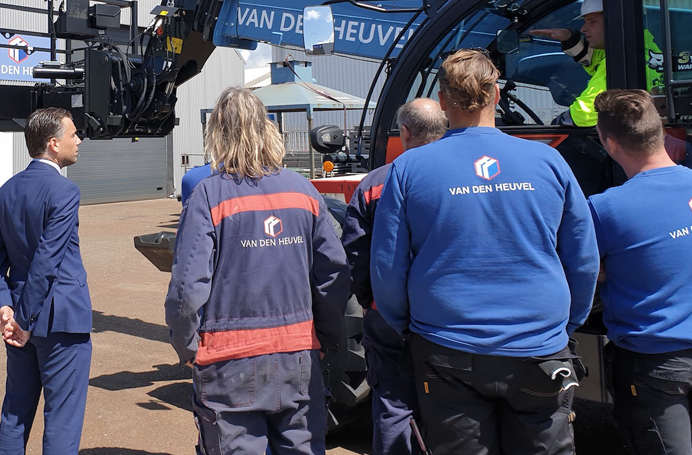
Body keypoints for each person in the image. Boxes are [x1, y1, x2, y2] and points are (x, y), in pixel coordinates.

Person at [370, 48, 600, 455]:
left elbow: (388, 266)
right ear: (496, 95)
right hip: (539, 345)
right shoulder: (549, 161)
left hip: (446, 346)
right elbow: (582, 258)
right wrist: (567, 324)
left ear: (442, 102)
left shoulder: (409, 169)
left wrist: (408, 325)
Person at [164, 86, 351, 455]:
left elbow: (188, 287)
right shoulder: (303, 191)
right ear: (267, 129)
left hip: (227, 365)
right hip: (298, 361)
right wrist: (327, 337)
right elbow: (334, 272)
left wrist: (185, 345)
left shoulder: (207, 195)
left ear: (217, 134)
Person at [0, 107, 90, 455]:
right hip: (59, 322)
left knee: (16, 411)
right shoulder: (64, 191)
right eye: (74, 135)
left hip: (18, 319)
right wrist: (24, 320)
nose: (79, 141)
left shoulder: (7, 190)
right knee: (61, 419)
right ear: (54, 144)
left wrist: (5, 307)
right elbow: (47, 260)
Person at [588, 89, 692, 455]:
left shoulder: (604, 209)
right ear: (661, 132)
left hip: (654, 364)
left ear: (608, 142)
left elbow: (586, 273)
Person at [342, 97, 446, 455]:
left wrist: (372, 300)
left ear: (403, 132)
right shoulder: (459, 177)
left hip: (387, 315)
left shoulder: (374, 184)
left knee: (392, 404)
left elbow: (355, 255)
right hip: (448, 315)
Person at [530, 0, 663, 126]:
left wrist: (557, 124)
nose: (583, 28)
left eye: (592, 21)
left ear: (616, 21)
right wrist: (569, 38)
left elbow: (586, 113)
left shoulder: (621, 61)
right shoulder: (643, 48)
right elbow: (594, 61)